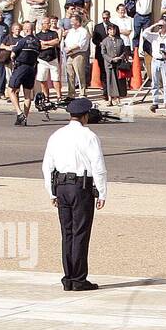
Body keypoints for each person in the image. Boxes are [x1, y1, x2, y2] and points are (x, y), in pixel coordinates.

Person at [41, 98, 107, 292]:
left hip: (61, 186)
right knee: (80, 232)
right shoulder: (89, 136)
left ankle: (68, 277)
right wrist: (102, 192)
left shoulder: (56, 135)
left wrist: (51, 192)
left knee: (67, 232)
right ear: (85, 116)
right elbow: (98, 167)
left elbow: (47, 166)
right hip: (81, 187)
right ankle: (78, 278)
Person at [4, 20, 38, 124]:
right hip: (32, 68)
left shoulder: (22, 41)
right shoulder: (37, 42)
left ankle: (19, 113)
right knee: (27, 95)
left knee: (11, 90)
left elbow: (13, 54)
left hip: (21, 67)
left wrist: (13, 60)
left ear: (26, 30)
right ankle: (24, 118)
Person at [63, 13, 91, 100]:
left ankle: (82, 93)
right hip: (70, 54)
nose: (71, 23)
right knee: (70, 74)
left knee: (80, 73)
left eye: (73, 21)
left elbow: (81, 44)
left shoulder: (83, 31)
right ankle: (71, 93)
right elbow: (67, 41)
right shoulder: (70, 31)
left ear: (78, 22)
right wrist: (67, 49)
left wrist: (71, 48)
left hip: (79, 54)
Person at [100, 24, 129, 106]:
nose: (112, 31)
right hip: (109, 64)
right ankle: (110, 99)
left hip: (119, 63)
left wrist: (120, 57)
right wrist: (111, 59)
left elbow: (124, 51)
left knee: (119, 81)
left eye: (114, 30)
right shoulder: (105, 41)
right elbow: (103, 53)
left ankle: (118, 98)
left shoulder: (120, 40)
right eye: (111, 30)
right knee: (110, 81)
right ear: (108, 31)